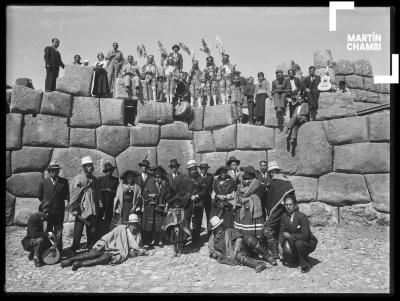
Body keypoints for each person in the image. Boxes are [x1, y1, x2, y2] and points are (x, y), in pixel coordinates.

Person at [60, 213, 148, 271]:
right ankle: (70, 260)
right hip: (109, 245)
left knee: (102, 258)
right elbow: (109, 235)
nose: (134, 227)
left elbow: (139, 248)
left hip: (117, 252)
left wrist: (135, 252)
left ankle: (80, 264)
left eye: (135, 225)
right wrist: (102, 243)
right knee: (93, 253)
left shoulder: (138, 237)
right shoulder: (121, 228)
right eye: (132, 225)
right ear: (128, 224)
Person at [208, 216, 276, 272]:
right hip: (238, 255)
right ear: (215, 230)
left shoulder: (228, 231)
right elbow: (213, 252)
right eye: (218, 228)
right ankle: (258, 264)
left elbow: (239, 238)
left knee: (249, 239)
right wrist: (219, 255)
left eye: (220, 226)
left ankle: (269, 257)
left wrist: (235, 251)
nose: (220, 229)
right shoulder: (212, 240)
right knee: (238, 256)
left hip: (242, 248)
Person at [69, 156, 103, 255]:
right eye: (88, 166)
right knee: (78, 229)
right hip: (81, 208)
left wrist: (100, 204)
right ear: (84, 167)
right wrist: (75, 208)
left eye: (91, 166)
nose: (90, 168)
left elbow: (98, 192)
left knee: (91, 228)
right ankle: (74, 248)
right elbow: (74, 195)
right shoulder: (78, 179)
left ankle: (90, 246)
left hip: (92, 208)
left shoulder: (94, 180)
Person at [261, 161, 295, 259]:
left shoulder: (275, 181)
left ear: (272, 172)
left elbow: (273, 197)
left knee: (267, 229)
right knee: (280, 229)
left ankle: (274, 252)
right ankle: (282, 251)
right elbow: (290, 195)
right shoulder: (286, 179)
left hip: (279, 210)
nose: (271, 173)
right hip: (288, 209)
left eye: (271, 172)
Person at [278, 195, 318, 273]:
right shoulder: (284, 216)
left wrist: (290, 236)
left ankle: (305, 265)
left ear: (295, 206)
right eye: (286, 205)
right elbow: (282, 231)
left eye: (290, 204)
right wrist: (279, 244)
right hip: (295, 240)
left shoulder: (302, 217)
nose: (288, 207)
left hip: (308, 241)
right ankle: (296, 257)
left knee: (298, 243)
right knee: (288, 244)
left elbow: (306, 236)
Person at [37, 161, 69, 253]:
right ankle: (48, 251)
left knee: (58, 232)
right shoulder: (43, 183)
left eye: (56, 171)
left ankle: (59, 251)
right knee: (48, 231)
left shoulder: (64, 182)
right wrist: (46, 206)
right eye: (52, 171)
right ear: (49, 172)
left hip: (59, 212)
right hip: (47, 213)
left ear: (58, 171)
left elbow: (67, 196)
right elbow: (39, 196)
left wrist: (67, 209)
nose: (54, 173)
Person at [141, 165, 170, 248]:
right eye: (156, 171)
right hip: (152, 205)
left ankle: (160, 239)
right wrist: (150, 195)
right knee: (153, 223)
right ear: (154, 172)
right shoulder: (150, 181)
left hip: (161, 205)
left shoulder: (165, 181)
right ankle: (153, 239)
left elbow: (168, 194)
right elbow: (144, 193)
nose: (157, 173)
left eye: (159, 171)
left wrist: (166, 205)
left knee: (160, 223)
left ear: (161, 172)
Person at [233, 166, 265, 239]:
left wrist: (248, 199)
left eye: (249, 174)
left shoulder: (257, 183)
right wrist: (239, 197)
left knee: (251, 228)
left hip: (252, 210)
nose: (247, 175)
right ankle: (242, 240)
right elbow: (237, 190)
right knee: (241, 227)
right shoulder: (242, 182)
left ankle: (253, 240)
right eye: (246, 173)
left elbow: (259, 195)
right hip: (242, 207)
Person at [21, 202, 55, 267]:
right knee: (40, 240)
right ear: (40, 211)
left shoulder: (49, 218)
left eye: (49, 212)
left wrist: (54, 238)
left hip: (44, 239)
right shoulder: (33, 218)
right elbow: (33, 234)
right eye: (45, 212)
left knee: (50, 249)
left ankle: (32, 254)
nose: (47, 214)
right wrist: (47, 234)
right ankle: (36, 258)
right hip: (31, 240)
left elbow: (50, 231)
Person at [184, 160, 208, 250]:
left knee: (197, 223)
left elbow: (204, 190)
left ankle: (195, 241)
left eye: (194, 169)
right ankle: (184, 239)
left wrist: (197, 196)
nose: (193, 171)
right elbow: (182, 190)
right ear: (189, 170)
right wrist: (187, 196)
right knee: (186, 222)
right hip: (187, 204)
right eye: (191, 169)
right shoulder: (185, 179)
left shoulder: (201, 179)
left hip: (198, 204)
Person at [98, 161, 119, 232]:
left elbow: (117, 191)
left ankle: (108, 232)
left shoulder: (115, 180)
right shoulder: (100, 179)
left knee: (109, 219)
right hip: (101, 203)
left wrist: (111, 191)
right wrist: (100, 201)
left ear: (112, 171)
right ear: (106, 171)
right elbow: (97, 190)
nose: (109, 172)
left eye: (110, 170)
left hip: (111, 203)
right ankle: (99, 234)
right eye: (107, 171)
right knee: (99, 219)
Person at [198, 161, 214, 237]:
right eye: (202, 168)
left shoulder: (210, 177)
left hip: (208, 199)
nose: (204, 170)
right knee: (199, 216)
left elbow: (211, 187)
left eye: (205, 168)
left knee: (209, 215)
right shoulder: (197, 176)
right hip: (200, 200)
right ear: (200, 169)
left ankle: (209, 233)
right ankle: (197, 235)